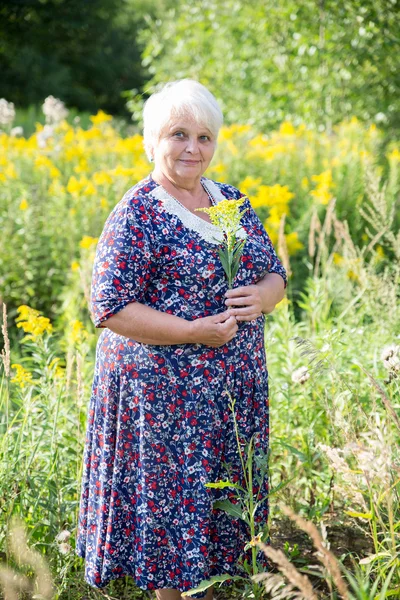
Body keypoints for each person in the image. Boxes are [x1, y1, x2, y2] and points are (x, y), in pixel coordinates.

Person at [76, 79, 287, 600]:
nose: (193, 148)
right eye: (178, 135)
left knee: (217, 510)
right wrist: (193, 331)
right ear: (153, 141)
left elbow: (275, 275)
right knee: (171, 522)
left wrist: (262, 297)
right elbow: (110, 308)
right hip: (165, 403)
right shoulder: (138, 211)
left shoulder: (229, 201)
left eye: (204, 136)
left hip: (229, 398)